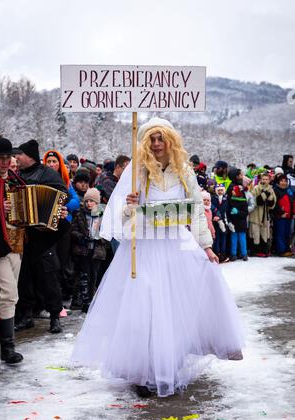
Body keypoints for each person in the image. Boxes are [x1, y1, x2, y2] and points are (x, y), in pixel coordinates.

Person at [70, 117, 244, 398]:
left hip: (176, 245)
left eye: (161, 138)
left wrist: (207, 247)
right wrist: (130, 206)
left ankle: (170, 364)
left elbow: (197, 211)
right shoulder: (137, 173)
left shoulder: (184, 171)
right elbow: (122, 218)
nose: (156, 144)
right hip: (144, 248)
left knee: (174, 307)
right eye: (151, 139)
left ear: (171, 141)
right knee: (146, 308)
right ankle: (144, 370)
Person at [15, 140, 69, 334]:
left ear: (28, 155)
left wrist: (56, 208)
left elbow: (64, 194)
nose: (16, 158)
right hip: (23, 232)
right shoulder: (17, 174)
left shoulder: (47, 173)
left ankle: (55, 316)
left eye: (18, 155)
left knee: (48, 274)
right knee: (24, 276)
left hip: (45, 232)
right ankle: (26, 315)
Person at [0, 137, 24, 363]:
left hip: (17, 244)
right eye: (0, 158)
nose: (5, 162)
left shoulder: (16, 181)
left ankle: (4, 344)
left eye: (8, 158)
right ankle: (7, 347)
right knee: (8, 293)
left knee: (7, 297)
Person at [43, 150, 80, 302]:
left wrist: (64, 206)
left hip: (64, 225)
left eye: (54, 162)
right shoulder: (42, 178)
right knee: (51, 263)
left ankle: (60, 298)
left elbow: (76, 200)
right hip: (47, 226)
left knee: (63, 261)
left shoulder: (66, 180)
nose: (52, 164)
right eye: (49, 162)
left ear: (59, 164)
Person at [71, 188, 107, 313]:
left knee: (94, 275)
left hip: (97, 250)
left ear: (97, 202)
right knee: (83, 275)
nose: (89, 203)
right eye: (87, 201)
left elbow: (107, 233)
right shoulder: (80, 214)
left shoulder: (103, 215)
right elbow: (73, 230)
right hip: (84, 249)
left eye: (92, 201)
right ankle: (84, 301)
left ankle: (92, 299)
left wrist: (100, 238)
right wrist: (81, 237)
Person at [249, 173, 276, 257]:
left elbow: (273, 203)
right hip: (256, 215)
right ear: (260, 180)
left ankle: (264, 250)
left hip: (265, 216)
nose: (264, 181)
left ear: (269, 180)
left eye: (266, 179)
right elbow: (254, 201)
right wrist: (264, 195)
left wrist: (270, 199)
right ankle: (255, 250)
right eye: (263, 179)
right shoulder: (256, 188)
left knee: (265, 232)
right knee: (255, 232)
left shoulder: (271, 189)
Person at [272, 174, 294, 257]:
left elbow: (292, 201)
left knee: (287, 233)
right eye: (281, 181)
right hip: (280, 216)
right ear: (278, 182)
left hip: (289, 216)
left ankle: (286, 249)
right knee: (280, 233)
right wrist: (281, 213)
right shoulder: (275, 190)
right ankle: (281, 250)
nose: (283, 183)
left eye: (285, 181)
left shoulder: (289, 190)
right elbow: (275, 204)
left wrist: (293, 213)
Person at [227, 185, 249, 261]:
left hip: (242, 223)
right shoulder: (230, 200)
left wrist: (238, 212)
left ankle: (244, 254)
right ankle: (233, 254)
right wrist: (229, 219)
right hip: (233, 223)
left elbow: (245, 213)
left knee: (242, 239)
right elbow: (228, 211)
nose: (232, 191)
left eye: (233, 190)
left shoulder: (243, 201)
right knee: (234, 239)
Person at [211, 183, 229, 263]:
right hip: (215, 221)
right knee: (217, 238)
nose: (220, 192)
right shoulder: (213, 198)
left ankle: (223, 253)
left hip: (224, 221)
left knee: (224, 238)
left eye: (221, 190)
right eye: (218, 190)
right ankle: (217, 253)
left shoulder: (226, 199)